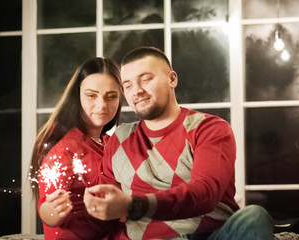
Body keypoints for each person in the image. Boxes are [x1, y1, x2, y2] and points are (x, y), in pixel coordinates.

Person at [83, 46, 275, 240]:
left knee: (255, 217)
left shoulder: (209, 128)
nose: (137, 91)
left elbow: (205, 194)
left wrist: (135, 205)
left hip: (210, 236)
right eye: (128, 85)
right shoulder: (119, 139)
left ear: (172, 79)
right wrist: (53, 217)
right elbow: (104, 210)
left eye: (146, 79)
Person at [29, 57, 124, 240]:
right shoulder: (65, 147)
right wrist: (50, 212)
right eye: (91, 95)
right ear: (77, 95)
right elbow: (47, 204)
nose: (102, 105)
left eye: (111, 96)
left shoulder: (110, 142)